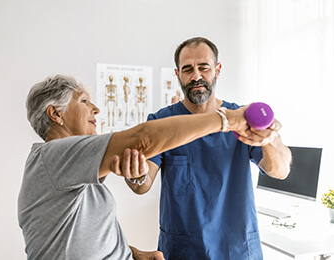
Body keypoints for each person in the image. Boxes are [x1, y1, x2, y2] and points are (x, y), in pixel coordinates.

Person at [18, 74, 252, 259]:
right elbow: (142, 138)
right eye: (84, 101)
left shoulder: (67, 165)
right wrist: (228, 120)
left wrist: (132, 253)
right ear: (56, 113)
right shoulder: (55, 155)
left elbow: (76, 238)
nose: (96, 109)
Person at [121, 37, 292, 260]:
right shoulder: (161, 123)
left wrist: (271, 139)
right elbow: (142, 186)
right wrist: (134, 175)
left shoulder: (240, 119)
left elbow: (280, 171)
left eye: (204, 67)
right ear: (178, 75)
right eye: (187, 69)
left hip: (237, 249)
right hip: (183, 249)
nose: (196, 76)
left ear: (218, 70)